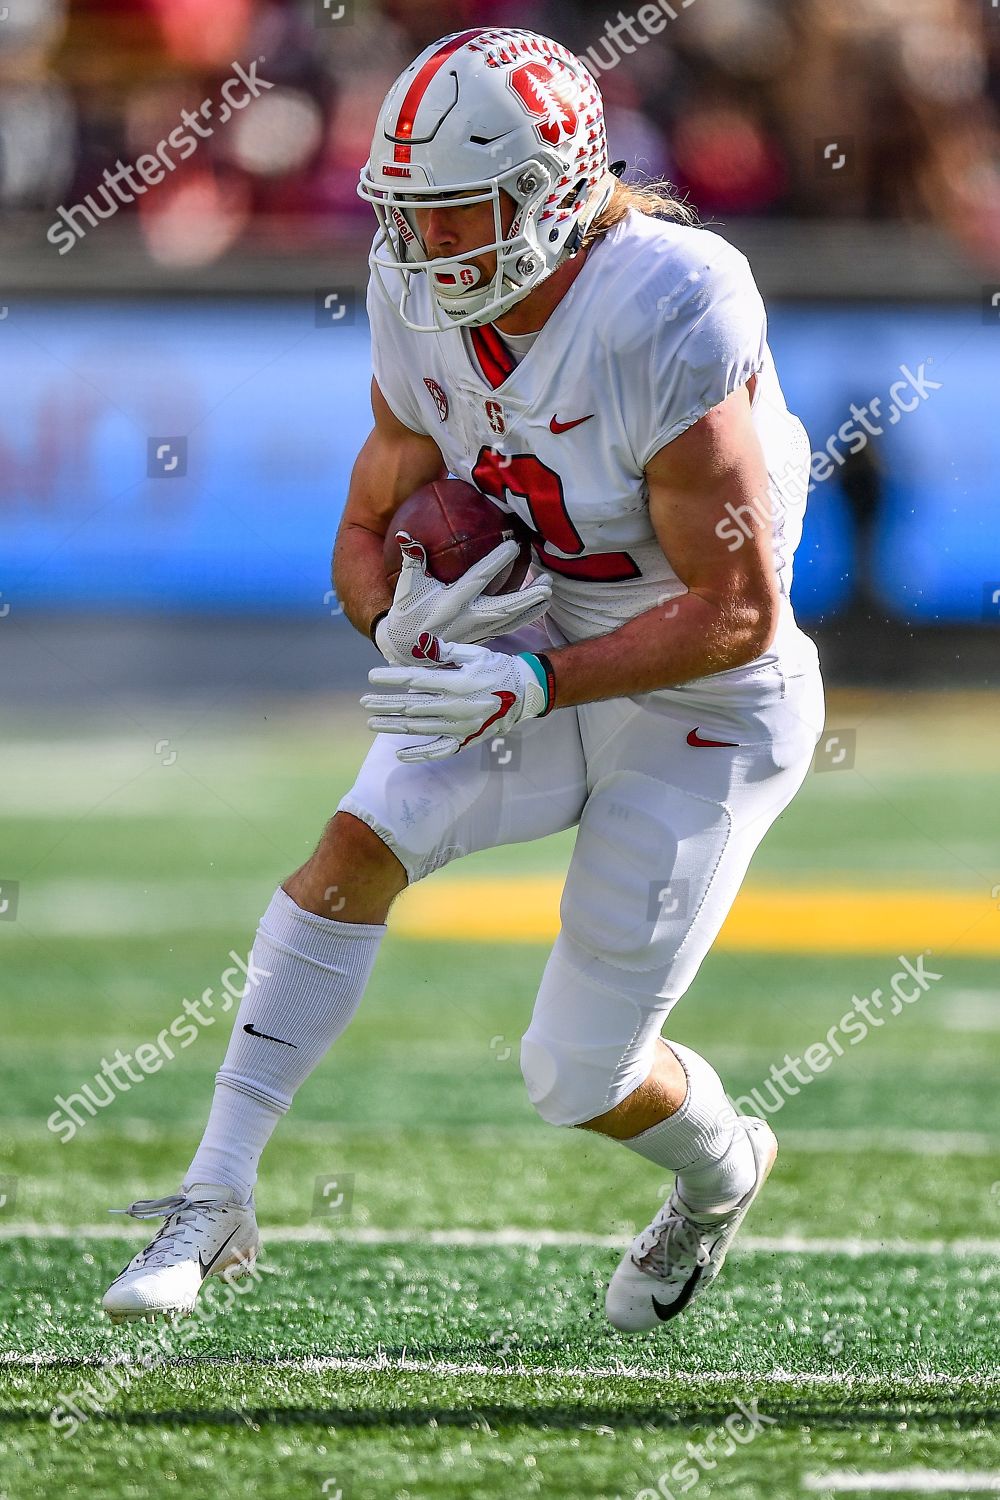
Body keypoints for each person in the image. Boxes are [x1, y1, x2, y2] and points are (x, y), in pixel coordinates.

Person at [103, 27, 824, 1334]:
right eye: (411, 217)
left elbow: (738, 614)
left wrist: (537, 684)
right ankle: (214, 1198)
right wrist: (395, 622)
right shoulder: (415, 288)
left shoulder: (668, 299)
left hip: (702, 695)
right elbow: (370, 511)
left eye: (457, 215)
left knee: (575, 1073)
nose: (427, 249)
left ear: (554, 191)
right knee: (350, 851)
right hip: (533, 635)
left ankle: (723, 1176)